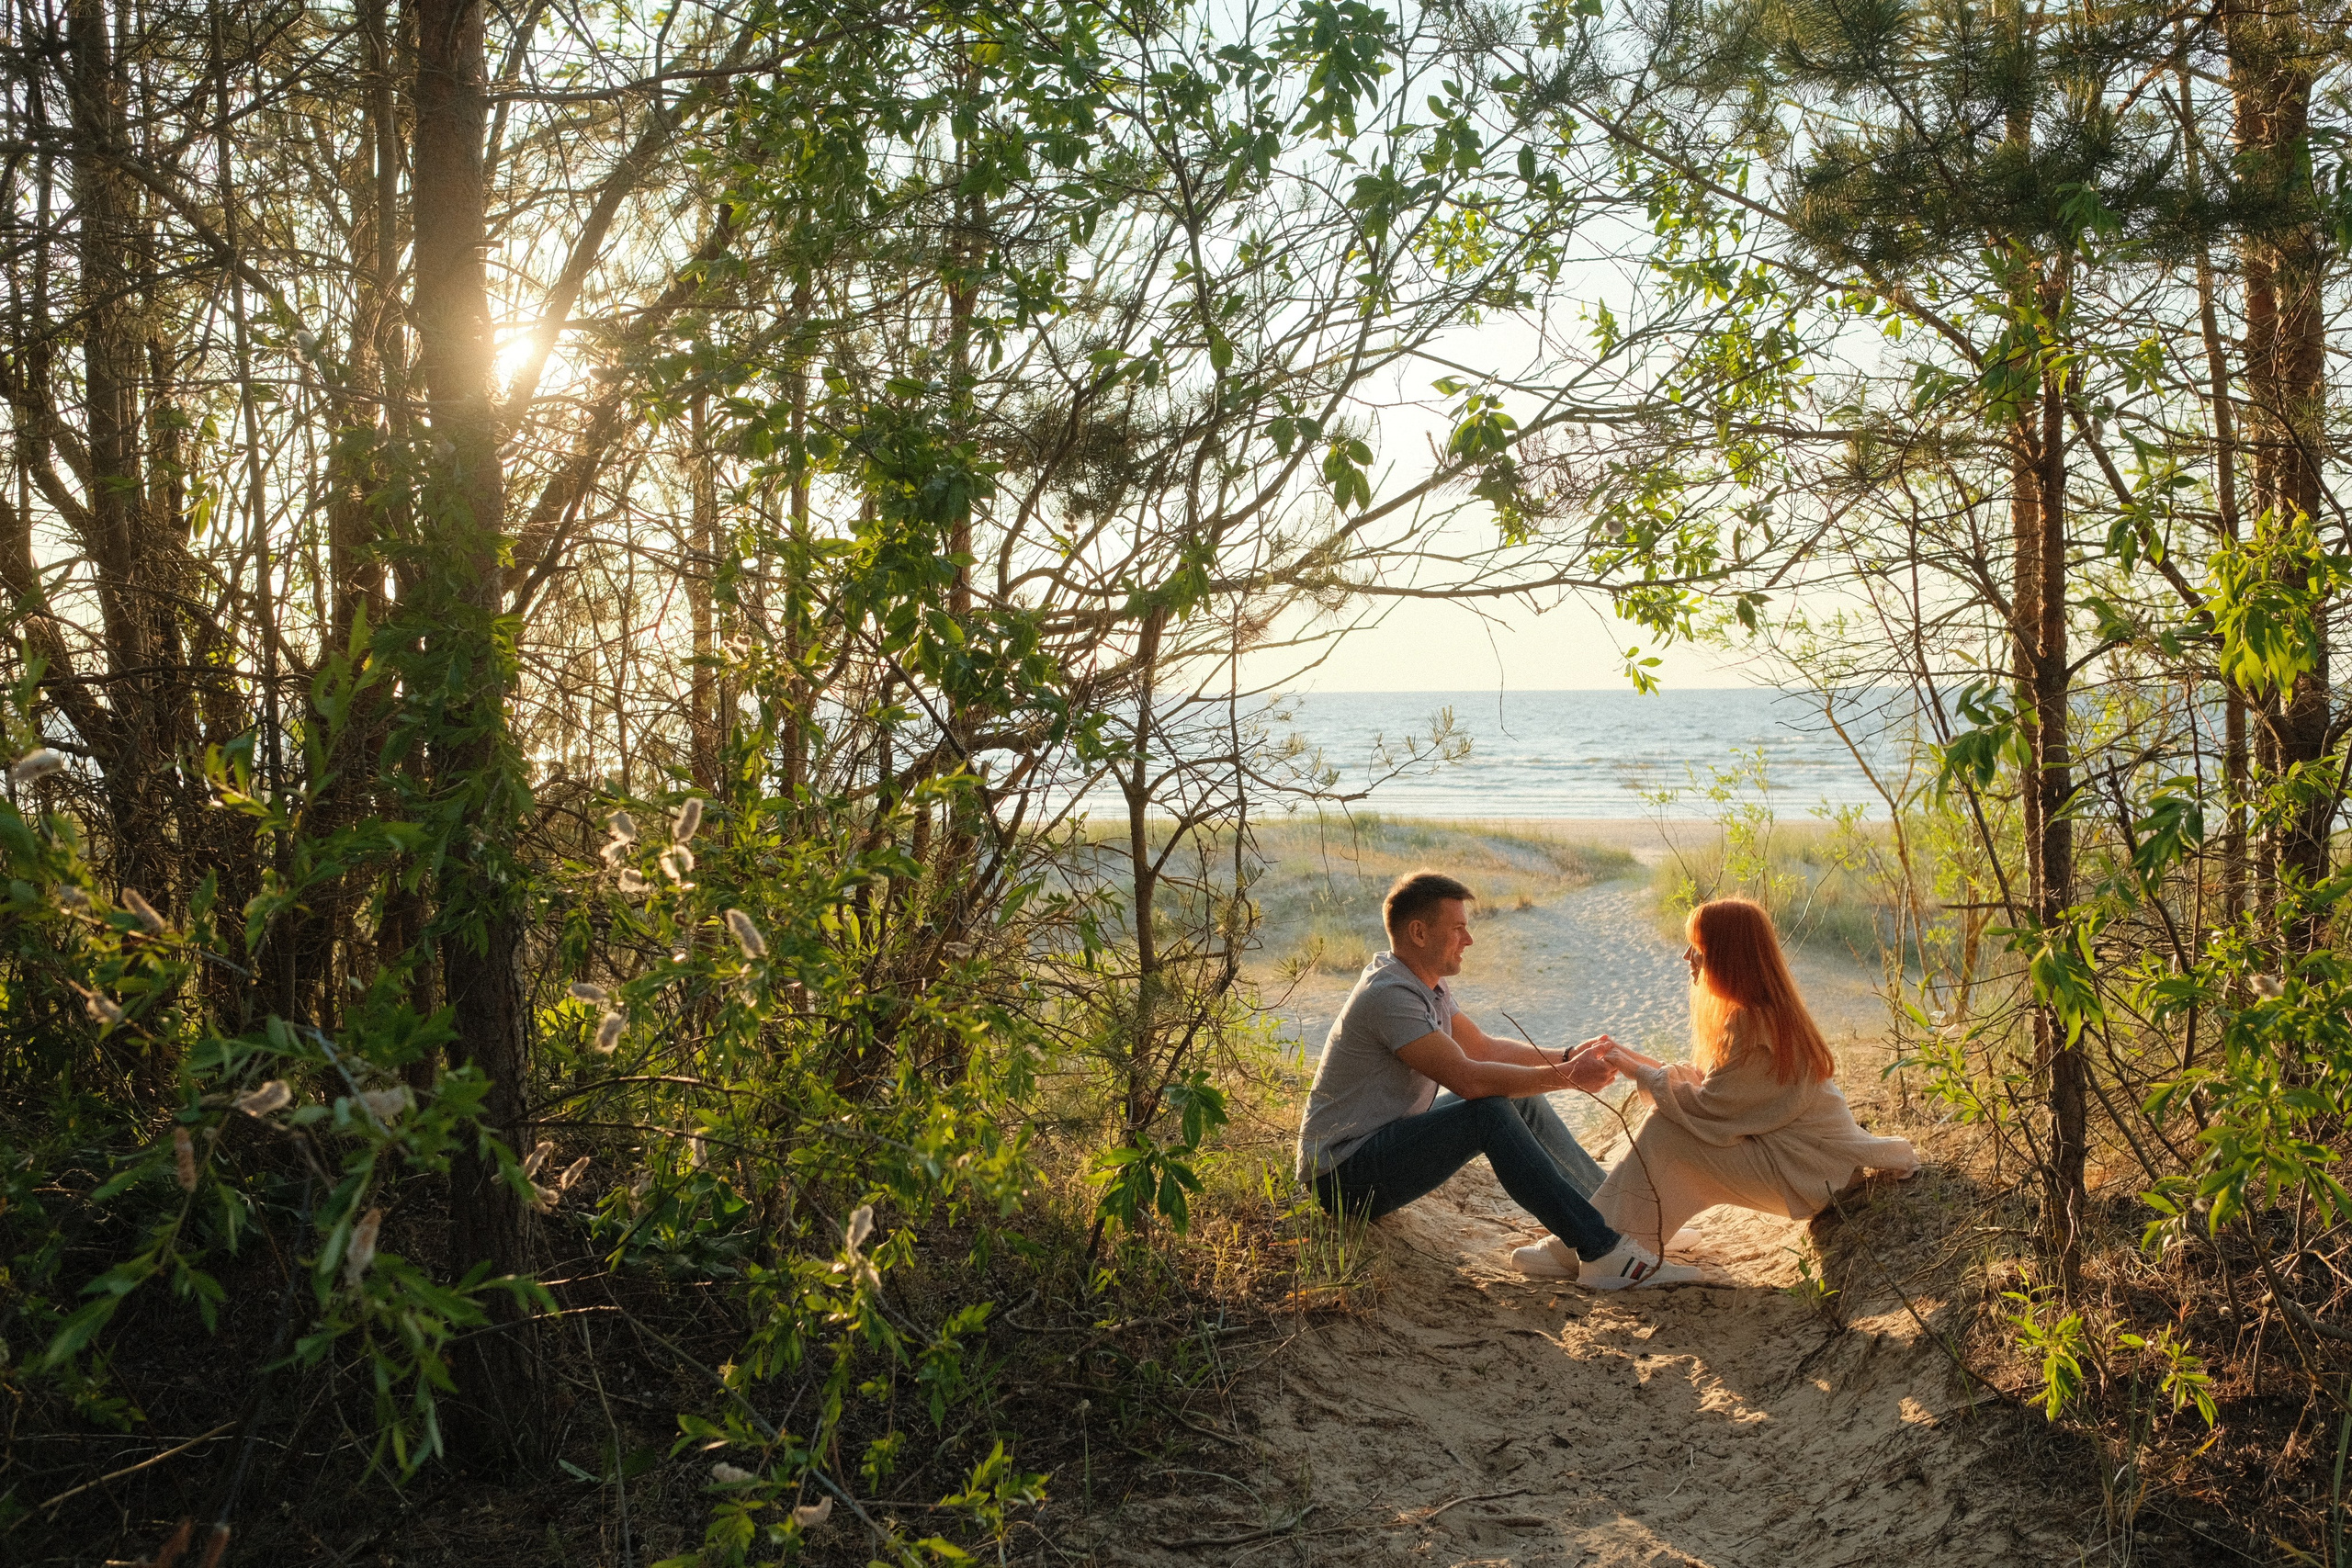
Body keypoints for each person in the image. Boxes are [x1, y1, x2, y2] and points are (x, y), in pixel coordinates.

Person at [1297, 870, 1702, 1290]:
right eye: (1458, 929)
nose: (1469, 940)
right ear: (1419, 933)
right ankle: (1601, 1250)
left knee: (1518, 1098)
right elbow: (1469, 1080)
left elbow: (1483, 1049)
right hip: (1344, 1178)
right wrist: (1569, 1076)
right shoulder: (1389, 995)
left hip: (1380, 1145)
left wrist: (1567, 1056)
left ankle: (1625, 1221)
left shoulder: (1422, 984)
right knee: (1487, 1112)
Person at [1524, 897, 1917, 1274]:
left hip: (1809, 1174)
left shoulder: (1753, 1022)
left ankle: (1590, 1246)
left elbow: (1709, 1109)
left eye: (1697, 948)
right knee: (1667, 1128)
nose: (1686, 957)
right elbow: (1708, 1083)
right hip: (1811, 1166)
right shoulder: (1765, 1013)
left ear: (1728, 957)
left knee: (1665, 1131)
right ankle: (1626, 1237)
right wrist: (1633, 1060)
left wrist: (1637, 1072)